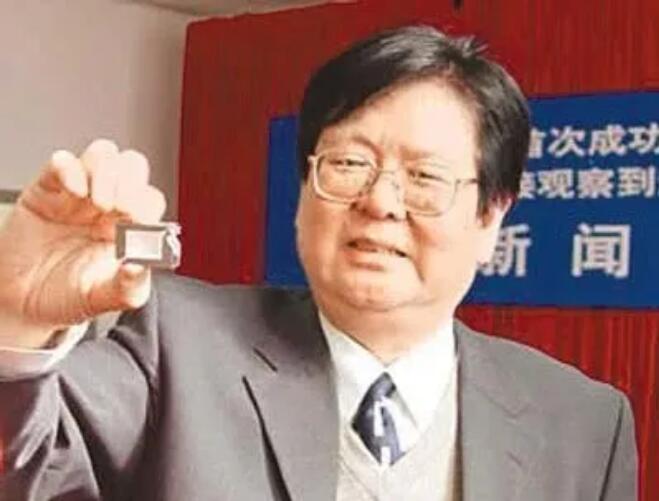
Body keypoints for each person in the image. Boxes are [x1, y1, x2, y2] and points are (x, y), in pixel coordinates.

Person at [0, 25, 637, 501]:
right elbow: (26, 472)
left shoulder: (583, 425)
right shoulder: (177, 343)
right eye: (349, 164)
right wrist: (15, 320)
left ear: (490, 216)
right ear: (304, 189)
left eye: (424, 177)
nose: (380, 202)